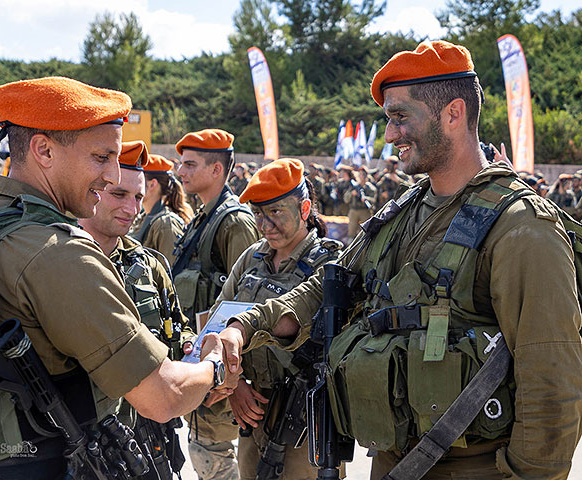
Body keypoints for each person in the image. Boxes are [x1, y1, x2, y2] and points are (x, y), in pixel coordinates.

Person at [219, 41, 582, 479]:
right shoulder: (403, 213)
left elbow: (552, 389)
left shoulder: (521, 227)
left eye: (400, 116)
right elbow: (326, 287)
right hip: (394, 463)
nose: (390, 135)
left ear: (453, 113)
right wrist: (244, 328)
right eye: (388, 120)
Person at [0, 77, 239, 479]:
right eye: (101, 157)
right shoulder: (57, 252)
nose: (111, 175)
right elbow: (163, 395)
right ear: (44, 150)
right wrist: (213, 366)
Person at [217, 158, 343, 480]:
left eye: (275, 213)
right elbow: (220, 324)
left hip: (309, 417)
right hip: (253, 409)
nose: (265, 225)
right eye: (259, 214)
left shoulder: (330, 262)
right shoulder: (252, 258)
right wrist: (236, 386)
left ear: (304, 210)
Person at [79, 140, 194, 477]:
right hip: (89, 439)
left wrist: (188, 347)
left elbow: (177, 323)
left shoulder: (148, 265)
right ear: (94, 190)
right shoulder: (63, 261)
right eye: (119, 195)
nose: (132, 208)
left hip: (149, 438)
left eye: (139, 197)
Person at [173, 128, 260, 480]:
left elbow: (246, 302)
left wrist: (236, 381)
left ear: (216, 170)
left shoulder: (233, 222)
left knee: (217, 460)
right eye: (181, 165)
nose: (181, 173)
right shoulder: (203, 218)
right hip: (206, 368)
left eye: (190, 165)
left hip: (225, 374)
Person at [130, 153, 192, 266]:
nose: (131, 185)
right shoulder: (144, 217)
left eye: (138, 179)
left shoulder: (166, 224)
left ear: (152, 184)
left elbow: (169, 273)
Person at [343, 166, 377, 239]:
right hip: (353, 211)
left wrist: (365, 198)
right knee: (351, 232)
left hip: (365, 211)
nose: (361, 177)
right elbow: (346, 199)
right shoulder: (354, 186)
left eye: (363, 174)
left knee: (366, 232)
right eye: (360, 174)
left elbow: (373, 200)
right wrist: (352, 193)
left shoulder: (370, 188)